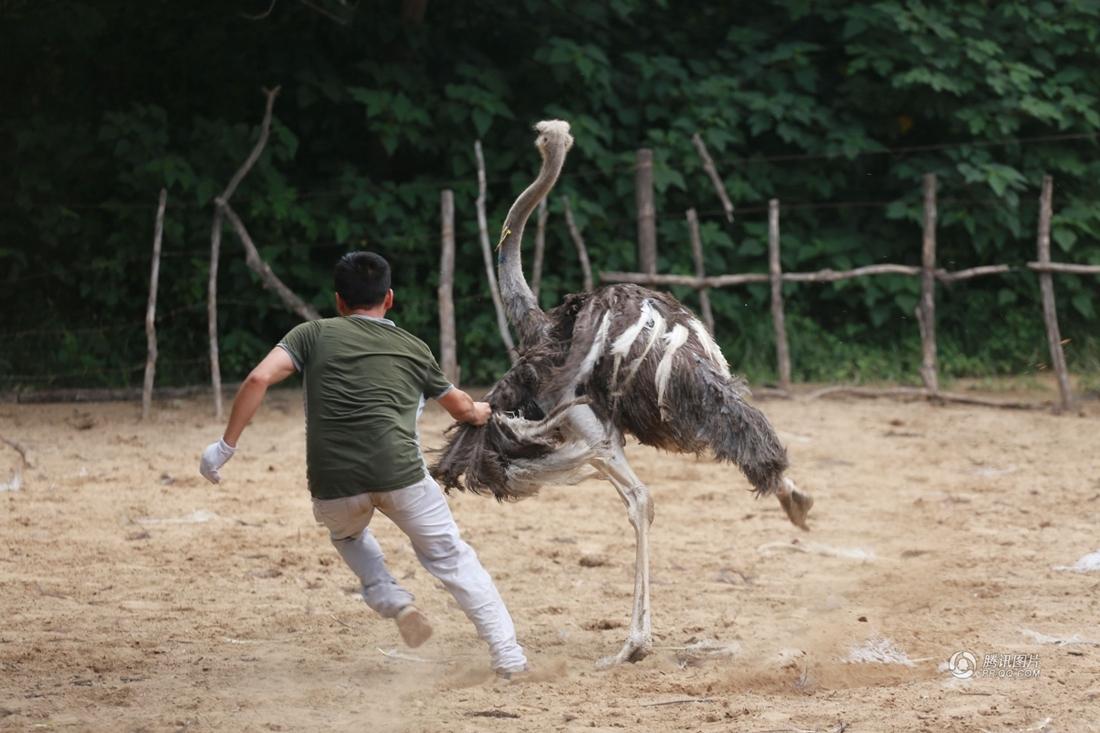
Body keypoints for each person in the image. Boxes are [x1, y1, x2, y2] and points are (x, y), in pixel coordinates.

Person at [199, 251, 528, 677]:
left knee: (349, 535)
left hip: (333, 484)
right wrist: (480, 412)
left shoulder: (310, 335)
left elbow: (258, 378)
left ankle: (388, 594)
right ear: (389, 298)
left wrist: (224, 448)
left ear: (338, 301)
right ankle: (508, 655)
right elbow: (461, 407)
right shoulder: (413, 347)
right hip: (402, 477)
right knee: (452, 558)